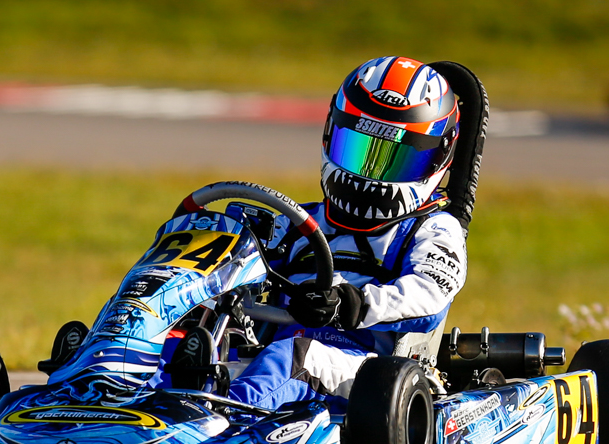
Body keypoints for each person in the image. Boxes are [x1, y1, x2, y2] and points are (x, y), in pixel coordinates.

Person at [200, 56, 469, 411]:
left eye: (395, 158)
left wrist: (351, 304)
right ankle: (112, 398)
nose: (369, 174)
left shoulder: (433, 228)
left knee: (293, 357)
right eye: (358, 150)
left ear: (438, 158)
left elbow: (429, 294)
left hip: (372, 373)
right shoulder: (298, 222)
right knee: (188, 341)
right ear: (332, 132)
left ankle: (213, 431)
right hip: (274, 361)